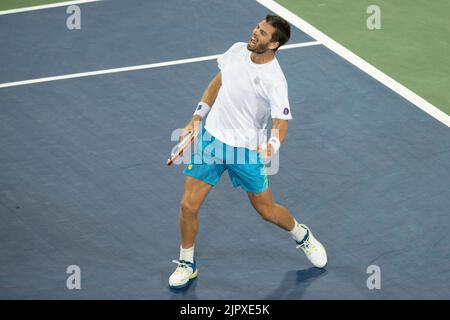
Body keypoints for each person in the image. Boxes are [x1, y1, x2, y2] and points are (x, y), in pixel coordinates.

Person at [169, 15, 327, 289]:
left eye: (262, 33)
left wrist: (272, 146)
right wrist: (198, 115)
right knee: (187, 205)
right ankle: (187, 263)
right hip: (211, 140)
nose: (254, 34)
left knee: (267, 211)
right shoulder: (236, 50)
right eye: (257, 28)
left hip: (246, 152)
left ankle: (301, 234)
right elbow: (218, 81)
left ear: (274, 43)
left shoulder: (275, 81)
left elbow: (281, 123)